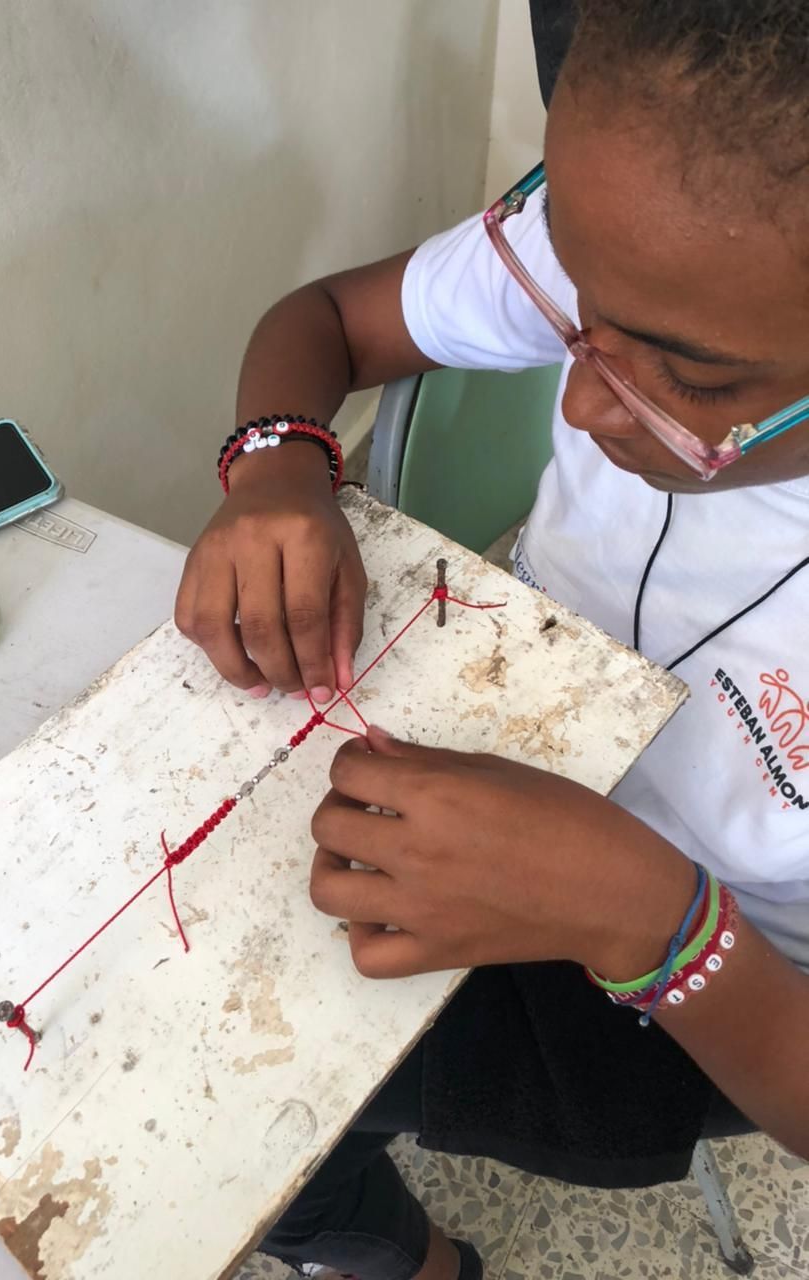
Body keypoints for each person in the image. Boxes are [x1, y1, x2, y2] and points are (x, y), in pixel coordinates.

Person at [175, 4, 809, 1277]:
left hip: (717, 982)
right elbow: (328, 323)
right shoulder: (665, 231)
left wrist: (647, 916)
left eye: (689, 377)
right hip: (506, 715)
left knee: (229, 1118)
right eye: (579, 313)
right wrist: (281, 472)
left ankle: (390, 1251)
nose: (573, 401)